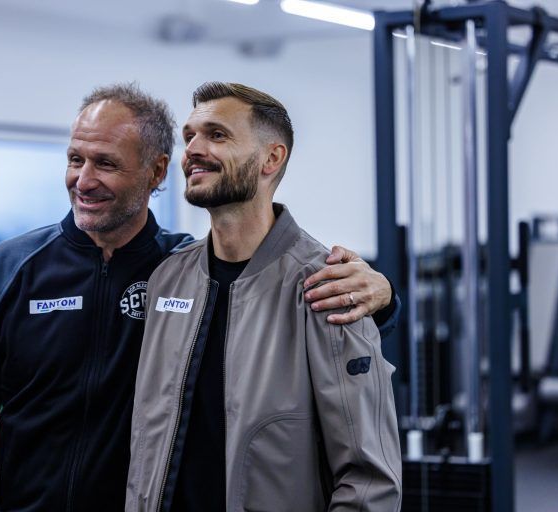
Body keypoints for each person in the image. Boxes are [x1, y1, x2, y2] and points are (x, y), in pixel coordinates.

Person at [0, 83, 398, 511]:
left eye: (107, 163)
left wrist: (384, 297)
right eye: (76, 160)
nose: (84, 179)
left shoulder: (177, 270)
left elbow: (272, 298)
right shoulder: (10, 269)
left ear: (156, 171)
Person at [126, 82, 402, 512]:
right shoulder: (168, 280)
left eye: (216, 135)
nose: (193, 149)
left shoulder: (326, 286)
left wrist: (386, 296)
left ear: (271, 158)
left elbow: (369, 482)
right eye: (189, 136)